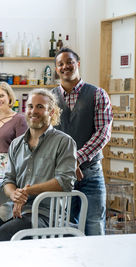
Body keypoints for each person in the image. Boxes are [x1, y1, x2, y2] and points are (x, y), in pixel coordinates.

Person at [0, 88, 77, 242]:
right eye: (30, 106)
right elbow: (8, 180)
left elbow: (65, 181)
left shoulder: (64, 142)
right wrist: (14, 195)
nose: (33, 111)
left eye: (40, 107)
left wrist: (27, 191)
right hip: (14, 208)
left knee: (7, 232)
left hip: (46, 213)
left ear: (51, 112)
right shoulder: (16, 144)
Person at [51, 47, 113, 235]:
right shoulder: (49, 98)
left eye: (69, 62)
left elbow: (103, 133)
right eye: (60, 64)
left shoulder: (97, 94)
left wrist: (76, 158)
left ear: (77, 64)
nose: (65, 66)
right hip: (61, 175)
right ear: (56, 69)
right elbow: (47, 134)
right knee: (66, 228)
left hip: (91, 174)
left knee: (94, 225)